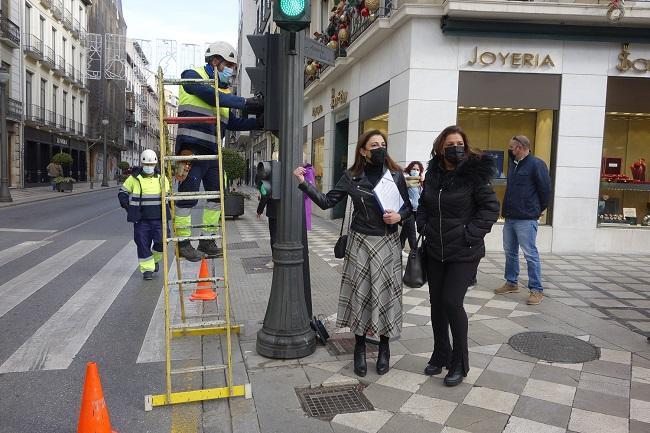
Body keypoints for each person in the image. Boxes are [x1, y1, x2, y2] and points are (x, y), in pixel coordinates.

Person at [293, 130, 412, 377]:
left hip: (388, 243)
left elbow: (409, 209)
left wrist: (399, 216)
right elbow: (327, 202)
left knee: (386, 295)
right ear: (363, 150)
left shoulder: (396, 176)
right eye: (374, 145)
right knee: (360, 294)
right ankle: (359, 347)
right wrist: (305, 184)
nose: (380, 148)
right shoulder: (352, 176)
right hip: (359, 242)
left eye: (383, 144)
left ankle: (384, 347)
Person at [416, 125, 499, 387]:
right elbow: (423, 206)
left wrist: (469, 234)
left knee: (452, 302)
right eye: (450, 144)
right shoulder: (433, 175)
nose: (456, 148)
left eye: (459, 143)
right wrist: (423, 226)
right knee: (437, 304)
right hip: (435, 250)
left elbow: (490, 208)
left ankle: (459, 363)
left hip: (464, 251)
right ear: (440, 148)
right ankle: (441, 353)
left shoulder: (474, 174)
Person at [174, 41, 264, 262]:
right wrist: (247, 102)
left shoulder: (222, 92)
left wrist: (259, 122)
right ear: (215, 61)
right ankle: (183, 244)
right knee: (187, 198)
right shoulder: (192, 75)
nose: (232, 72)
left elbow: (232, 122)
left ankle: (207, 239)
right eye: (230, 66)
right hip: (191, 150)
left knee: (216, 197)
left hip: (214, 153)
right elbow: (212, 96)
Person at [494, 135, 551, 306]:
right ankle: (511, 282)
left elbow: (545, 189)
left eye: (511, 147)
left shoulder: (536, 164)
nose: (509, 150)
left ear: (519, 147)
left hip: (526, 218)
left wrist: (539, 209)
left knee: (530, 254)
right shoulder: (514, 164)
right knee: (510, 251)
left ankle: (536, 290)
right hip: (511, 217)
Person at [118, 149, 170, 280]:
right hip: (141, 219)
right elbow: (122, 192)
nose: (149, 167)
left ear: (155, 164)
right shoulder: (134, 178)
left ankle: (153, 260)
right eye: (146, 165)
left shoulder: (162, 178)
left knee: (162, 242)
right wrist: (126, 205)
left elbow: (168, 196)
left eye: (151, 165)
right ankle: (147, 269)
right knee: (142, 243)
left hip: (159, 219)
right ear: (142, 164)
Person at [400, 161, 424, 255]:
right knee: (411, 232)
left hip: (417, 210)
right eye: (414, 169)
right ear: (409, 169)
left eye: (418, 169)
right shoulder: (405, 180)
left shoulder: (419, 183)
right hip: (408, 210)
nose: (415, 171)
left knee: (405, 232)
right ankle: (415, 253)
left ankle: (398, 249)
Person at [256, 195, 278, 269]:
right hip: (286, 211)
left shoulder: (270, 183)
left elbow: (265, 195)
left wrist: (259, 210)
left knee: (274, 235)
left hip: (273, 212)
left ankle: (275, 259)